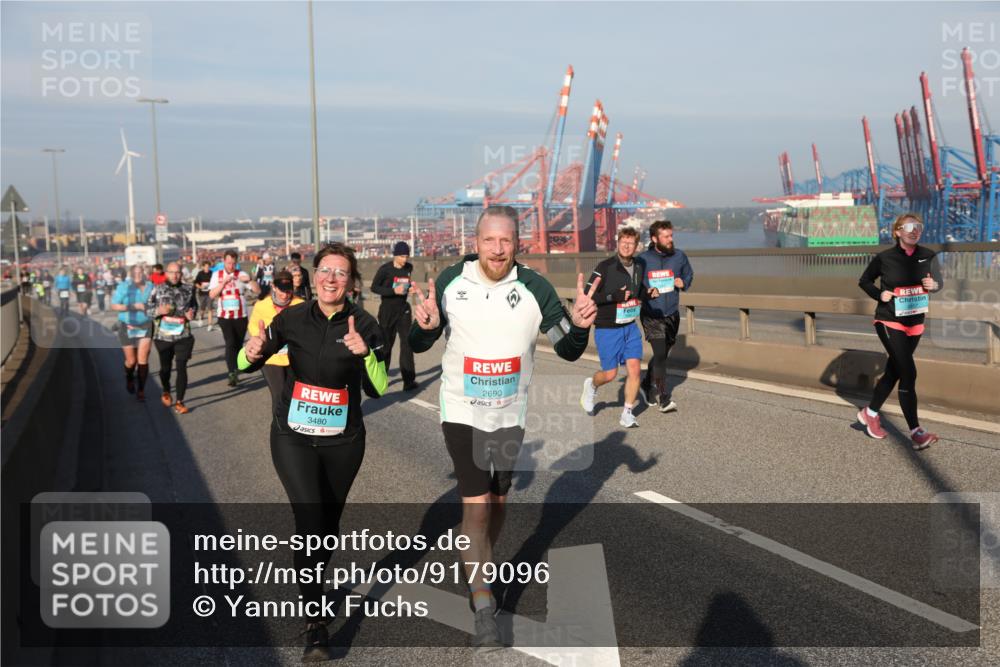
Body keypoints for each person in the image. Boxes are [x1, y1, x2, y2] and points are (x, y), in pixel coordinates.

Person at [409, 205, 598, 650]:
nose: (498, 249)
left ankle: (481, 564)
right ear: (475, 243)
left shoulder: (535, 288)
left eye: (506, 241)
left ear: (518, 244)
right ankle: (482, 603)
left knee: (496, 504)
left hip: (509, 417)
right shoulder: (452, 282)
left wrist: (582, 327)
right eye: (490, 240)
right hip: (462, 412)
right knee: (475, 507)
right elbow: (421, 339)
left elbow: (567, 349)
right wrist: (425, 326)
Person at [238, 243, 387, 660]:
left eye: (341, 273)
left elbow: (378, 387)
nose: (331, 279)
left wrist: (365, 355)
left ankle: (314, 581)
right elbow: (250, 357)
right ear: (313, 275)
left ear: (352, 282)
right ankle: (315, 621)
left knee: (326, 525)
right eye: (324, 270)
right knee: (308, 516)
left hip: (343, 441)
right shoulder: (292, 317)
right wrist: (249, 352)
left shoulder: (366, 324)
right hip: (293, 435)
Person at [857, 213, 943, 450]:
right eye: (909, 227)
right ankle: (916, 431)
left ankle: (870, 412)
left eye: (919, 227)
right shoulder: (884, 258)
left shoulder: (928, 255)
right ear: (897, 231)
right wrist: (879, 294)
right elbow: (864, 281)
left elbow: (939, 282)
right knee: (908, 372)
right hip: (889, 320)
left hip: (915, 321)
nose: (915, 230)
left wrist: (933, 286)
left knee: (894, 371)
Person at [580, 226, 647, 427]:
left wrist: (648, 293)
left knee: (635, 370)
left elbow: (637, 290)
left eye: (631, 243)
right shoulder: (605, 266)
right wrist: (612, 297)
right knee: (610, 374)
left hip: (630, 326)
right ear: (617, 243)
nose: (627, 246)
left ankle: (627, 413)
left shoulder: (639, 266)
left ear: (636, 246)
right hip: (607, 327)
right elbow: (587, 295)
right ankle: (591, 386)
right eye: (623, 242)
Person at [638, 220, 694, 413]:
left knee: (661, 355)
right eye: (666, 237)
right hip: (651, 314)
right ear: (654, 239)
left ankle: (646, 383)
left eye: (671, 236)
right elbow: (635, 284)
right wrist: (646, 292)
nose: (671, 239)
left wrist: (682, 282)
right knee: (661, 354)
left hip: (672, 314)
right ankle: (664, 398)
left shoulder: (679, 256)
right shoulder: (642, 259)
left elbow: (689, 274)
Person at [247, 270, 304, 415]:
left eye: (288, 291)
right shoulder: (261, 305)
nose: (285, 295)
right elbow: (253, 326)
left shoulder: (301, 305)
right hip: (271, 358)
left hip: (294, 359)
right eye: (281, 291)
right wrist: (260, 338)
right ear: (273, 286)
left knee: (293, 397)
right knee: (278, 396)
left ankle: (293, 426)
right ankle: (280, 429)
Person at [148, 262, 198, 414]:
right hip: (163, 337)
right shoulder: (158, 289)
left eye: (178, 272)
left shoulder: (189, 289)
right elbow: (147, 309)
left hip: (183, 336)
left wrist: (192, 314)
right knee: (165, 368)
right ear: (166, 273)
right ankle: (166, 390)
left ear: (181, 274)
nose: (175, 275)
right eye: (172, 272)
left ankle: (179, 402)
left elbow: (194, 306)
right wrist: (158, 310)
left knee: (182, 367)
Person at [208, 249, 261, 387]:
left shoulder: (241, 274)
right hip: (224, 315)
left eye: (233, 263)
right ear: (224, 261)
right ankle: (231, 372)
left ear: (236, 262)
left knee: (238, 344)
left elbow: (257, 291)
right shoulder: (217, 275)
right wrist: (223, 283)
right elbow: (212, 295)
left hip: (240, 315)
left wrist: (249, 279)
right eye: (228, 262)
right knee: (230, 342)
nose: (231, 266)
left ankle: (236, 369)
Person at [370, 241, 418, 391]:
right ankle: (381, 380)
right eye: (402, 256)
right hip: (387, 311)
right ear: (395, 255)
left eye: (407, 256)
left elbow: (407, 284)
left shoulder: (409, 268)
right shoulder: (385, 270)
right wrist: (393, 291)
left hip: (403, 310)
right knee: (386, 347)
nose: (405, 259)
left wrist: (410, 289)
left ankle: (408, 381)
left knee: (407, 344)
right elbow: (374, 287)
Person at [111, 265, 154, 401]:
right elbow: (114, 305)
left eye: (140, 272)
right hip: (127, 326)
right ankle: (129, 377)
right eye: (135, 273)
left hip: (145, 325)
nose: (138, 275)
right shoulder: (124, 286)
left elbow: (156, 303)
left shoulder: (150, 287)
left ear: (144, 273)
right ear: (131, 274)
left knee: (142, 360)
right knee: (131, 361)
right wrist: (133, 306)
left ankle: (141, 390)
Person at [193, 260, 215, 330]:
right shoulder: (200, 273)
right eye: (205, 267)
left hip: (210, 293)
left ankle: (210, 324)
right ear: (203, 267)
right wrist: (200, 287)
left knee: (210, 309)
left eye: (208, 267)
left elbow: (215, 283)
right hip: (202, 294)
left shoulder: (212, 273)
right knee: (202, 308)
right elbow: (196, 283)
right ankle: (201, 318)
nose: (207, 268)